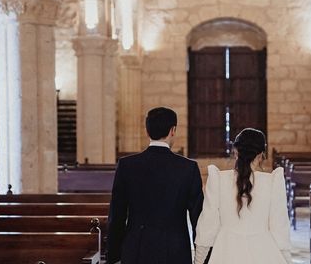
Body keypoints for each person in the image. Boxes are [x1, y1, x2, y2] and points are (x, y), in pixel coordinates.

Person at [107, 107, 204, 264]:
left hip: (136, 250)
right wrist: (201, 256)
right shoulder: (188, 168)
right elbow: (198, 217)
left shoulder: (127, 166)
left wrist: (113, 256)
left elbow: (117, 216)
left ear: (147, 131)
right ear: (173, 130)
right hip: (175, 251)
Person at [193, 128, 292, 264]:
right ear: (261, 155)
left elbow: (208, 224)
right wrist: (287, 260)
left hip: (225, 252)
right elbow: (279, 228)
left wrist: (198, 260)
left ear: (235, 152)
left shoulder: (218, 180)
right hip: (263, 252)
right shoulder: (272, 182)